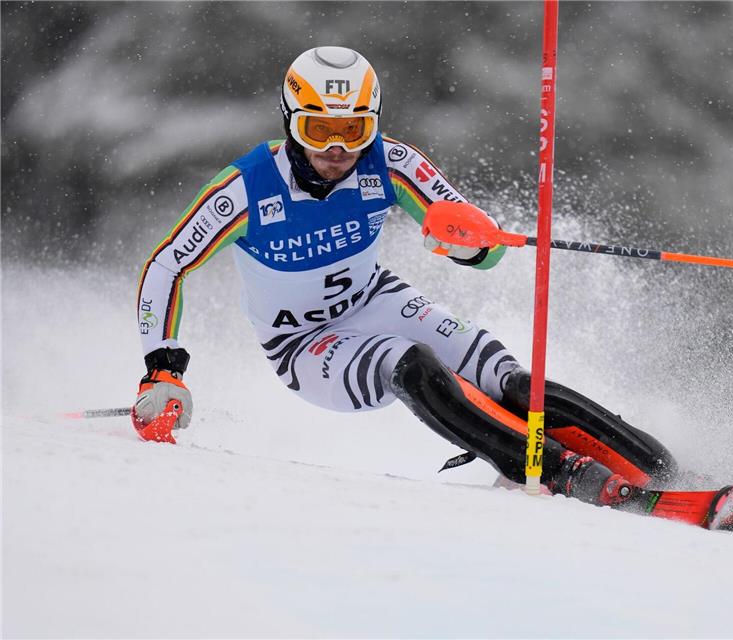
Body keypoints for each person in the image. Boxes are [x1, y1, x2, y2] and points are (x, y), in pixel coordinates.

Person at [133, 46, 677, 510]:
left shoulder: (389, 163)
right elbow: (167, 265)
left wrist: (469, 246)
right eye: (319, 129)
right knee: (410, 363)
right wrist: (162, 370)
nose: (337, 149)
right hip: (304, 343)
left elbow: (485, 249)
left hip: (376, 299)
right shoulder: (247, 188)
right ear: (289, 121)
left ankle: (669, 472)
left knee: (507, 381)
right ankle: (558, 473)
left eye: (353, 129)